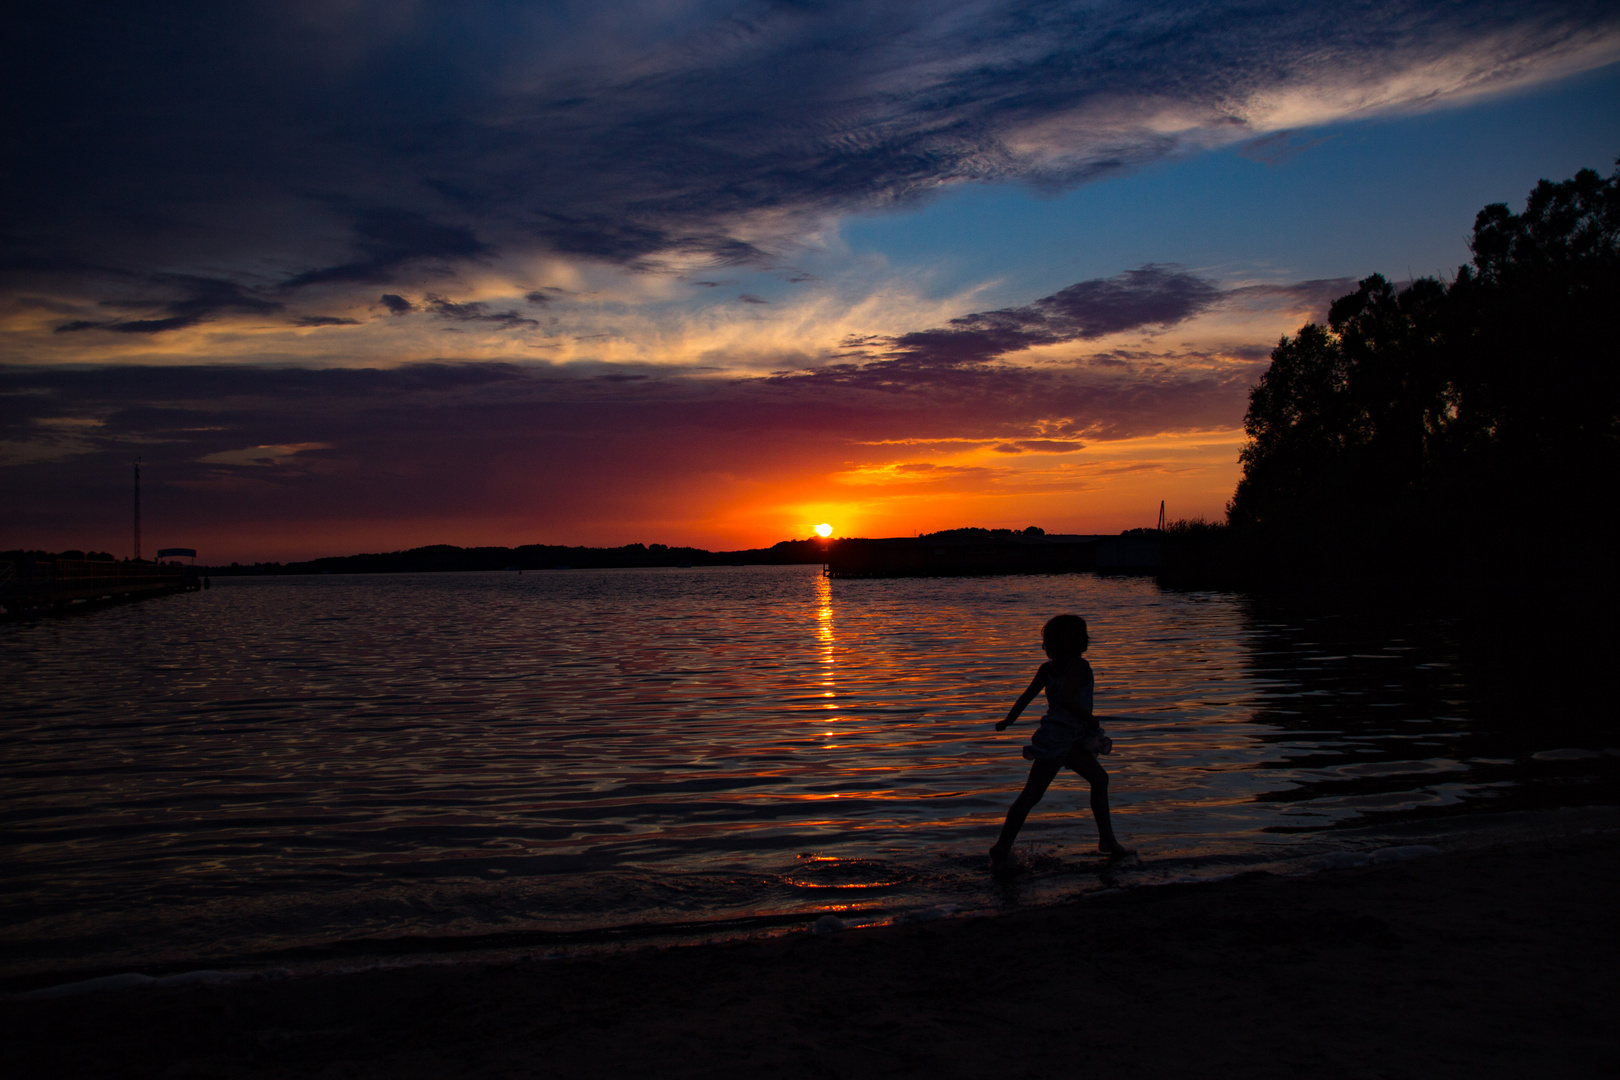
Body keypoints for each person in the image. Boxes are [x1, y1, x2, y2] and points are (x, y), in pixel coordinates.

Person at [988, 614, 1130, 865]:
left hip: (1058, 736)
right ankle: (1001, 847)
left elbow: (1026, 697)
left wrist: (1009, 720)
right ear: (1078, 640)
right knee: (1033, 794)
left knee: (1097, 779)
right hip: (1064, 737)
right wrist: (1091, 719)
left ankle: (1107, 841)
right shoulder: (1079, 666)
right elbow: (1066, 698)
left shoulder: (1047, 669)